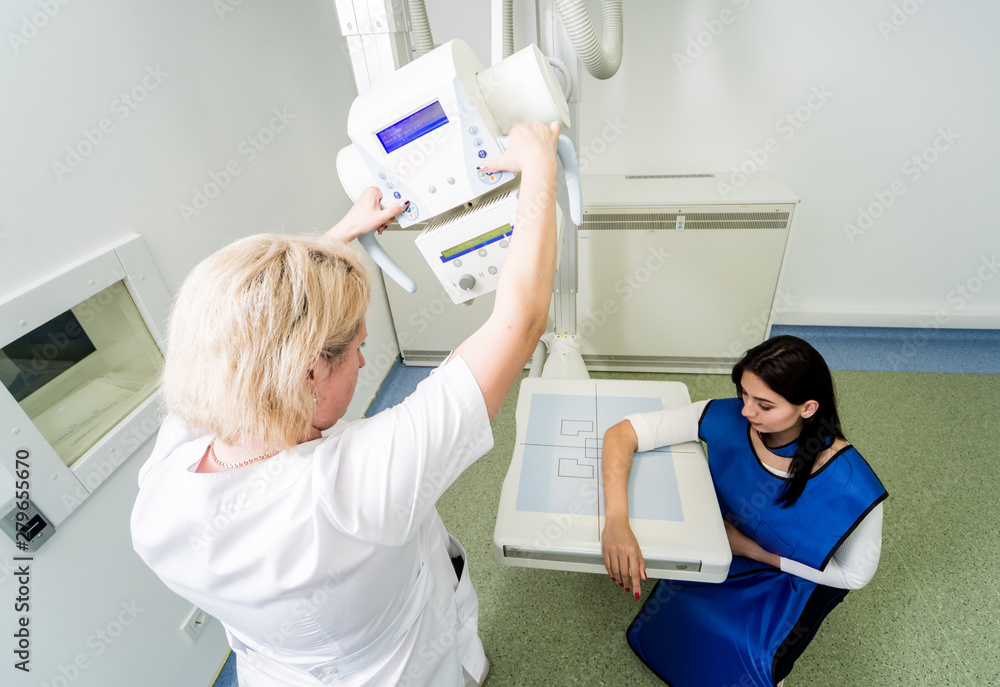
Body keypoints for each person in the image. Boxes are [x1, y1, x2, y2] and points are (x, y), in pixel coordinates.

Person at [130, 121, 562, 687]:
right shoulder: (358, 484)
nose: (363, 363)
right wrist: (541, 171)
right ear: (310, 371)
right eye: (358, 347)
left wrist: (340, 239)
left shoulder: (163, 486)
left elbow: (248, 329)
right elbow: (519, 322)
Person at [601, 335, 887, 687]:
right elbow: (622, 433)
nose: (746, 412)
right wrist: (616, 521)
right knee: (681, 612)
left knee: (746, 652)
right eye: (744, 394)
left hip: (795, 577)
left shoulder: (851, 485)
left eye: (764, 405)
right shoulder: (725, 416)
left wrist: (752, 550)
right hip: (725, 544)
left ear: (808, 408)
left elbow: (853, 576)